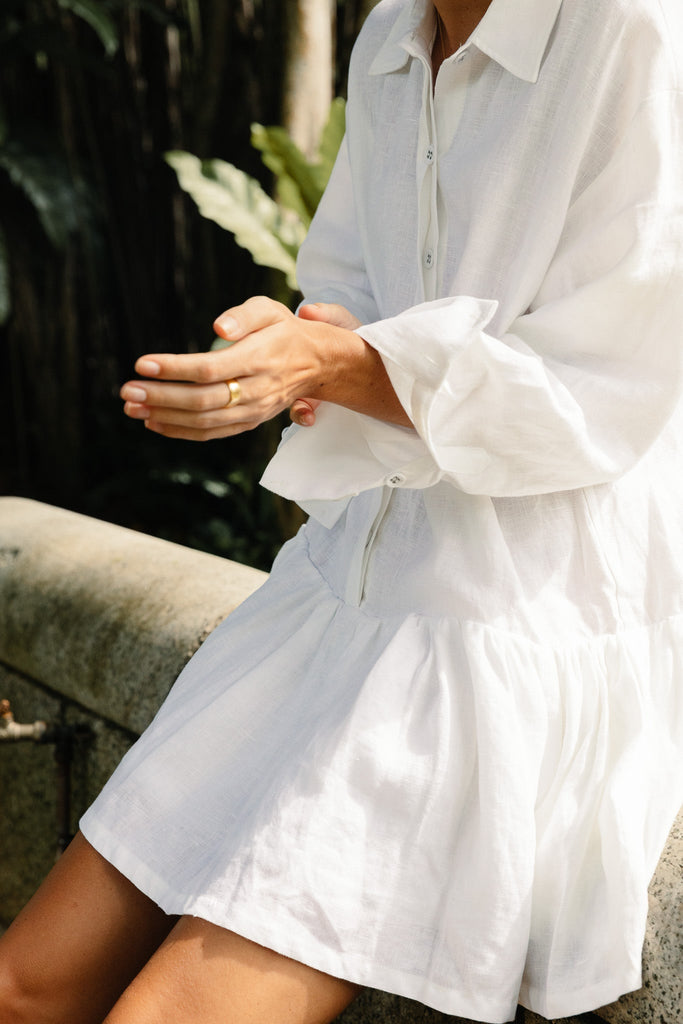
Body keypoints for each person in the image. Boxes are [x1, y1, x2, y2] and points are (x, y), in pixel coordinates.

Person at [1, 0, 682, 1021]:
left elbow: (607, 386)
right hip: (336, 594)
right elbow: (353, 300)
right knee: (25, 986)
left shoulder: (636, 32)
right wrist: (288, 349)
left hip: (498, 627)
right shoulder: (389, 39)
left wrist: (334, 360)